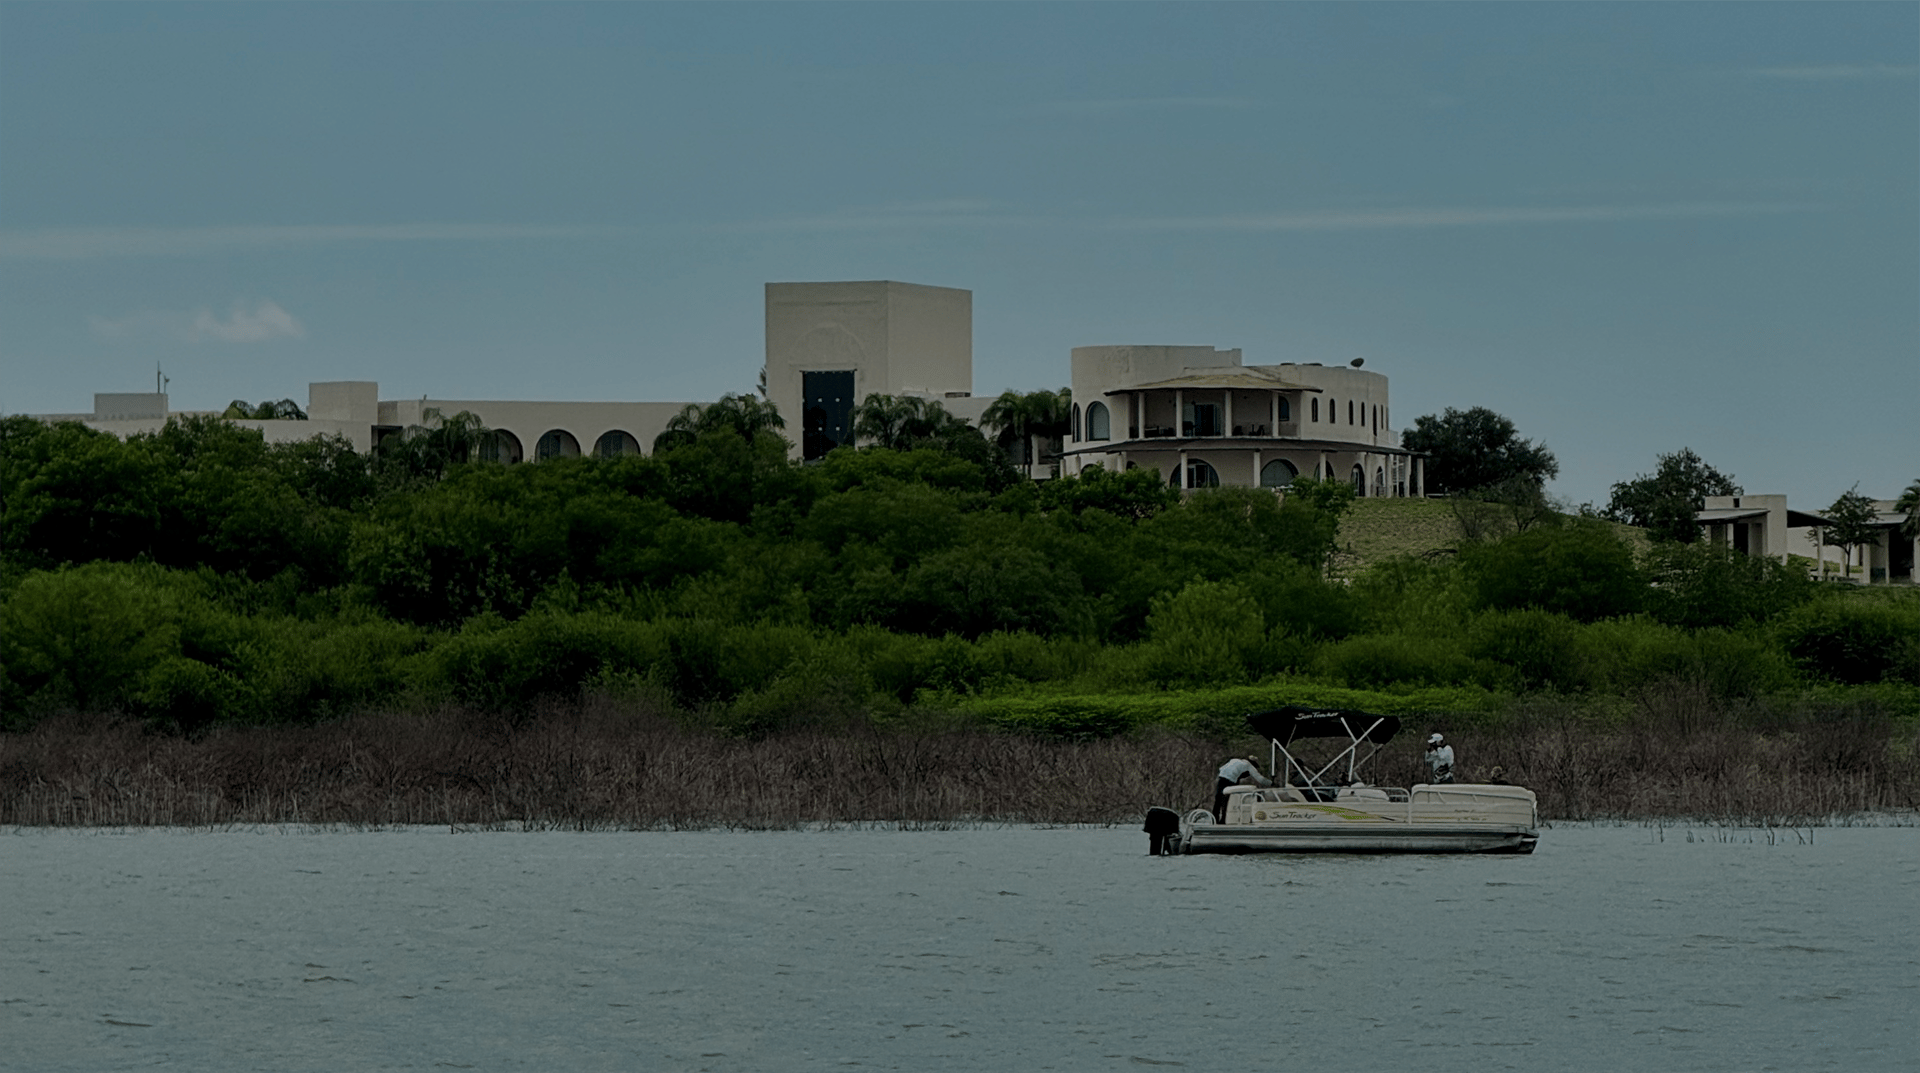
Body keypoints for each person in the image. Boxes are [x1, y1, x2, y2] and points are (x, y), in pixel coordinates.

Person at [1214, 754, 1273, 822]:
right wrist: (1271, 783)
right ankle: (1224, 819)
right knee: (1227, 801)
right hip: (1230, 781)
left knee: (1218, 800)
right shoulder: (1249, 766)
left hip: (1221, 778)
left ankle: (1215, 819)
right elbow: (1261, 779)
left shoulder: (1234, 760)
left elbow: (1221, 768)